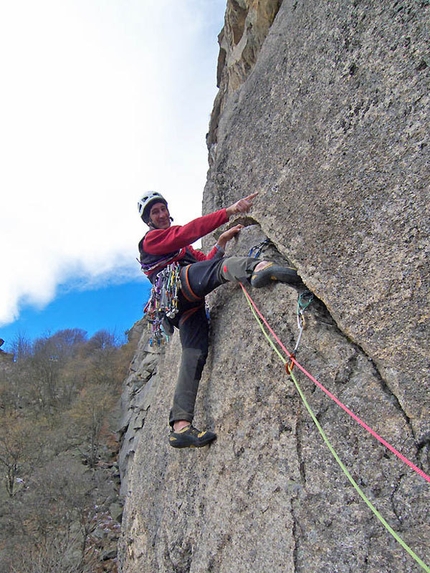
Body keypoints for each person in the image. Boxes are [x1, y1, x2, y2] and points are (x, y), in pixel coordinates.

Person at [137, 191, 300, 449]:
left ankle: (180, 426)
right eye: (154, 212)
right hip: (178, 287)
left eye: (162, 209)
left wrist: (221, 242)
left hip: (184, 306)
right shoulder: (151, 240)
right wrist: (229, 211)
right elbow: (187, 234)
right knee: (217, 271)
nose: (160, 215)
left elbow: (205, 261)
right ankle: (257, 268)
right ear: (149, 221)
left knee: (194, 354)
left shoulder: (182, 251)